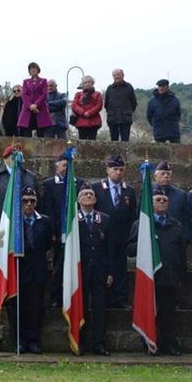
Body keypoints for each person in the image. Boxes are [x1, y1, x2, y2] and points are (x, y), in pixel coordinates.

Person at [127, 186, 185, 356]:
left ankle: (169, 344)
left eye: (164, 200)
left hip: (169, 276)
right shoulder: (141, 224)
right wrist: (146, 241)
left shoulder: (176, 224)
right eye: (158, 200)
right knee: (149, 311)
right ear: (150, 203)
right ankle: (149, 342)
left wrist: (180, 275)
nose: (161, 202)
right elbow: (130, 250)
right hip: (149, 276)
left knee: (168, 313)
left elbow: (181, 252)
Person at [7, 186, 52, 353]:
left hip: (38, 271)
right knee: (18, 308)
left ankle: (33, 340)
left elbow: (47, 243)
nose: (28, 204)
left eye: (32, 201)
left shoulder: (44, 221)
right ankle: (19, 340)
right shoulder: (13, 221)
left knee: (36, 308)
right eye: (25, 201)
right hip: (18, 271)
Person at [92, 155, 137, 308]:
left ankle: (120, 298)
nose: (118, 172)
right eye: (115, 169)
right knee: (102, 266)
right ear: (108, 170)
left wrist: (130, 236)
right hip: (102, 235)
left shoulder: (129, 190)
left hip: (121, 236)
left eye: (121, 169)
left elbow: (132, 216)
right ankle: (103, 298)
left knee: (121, 267)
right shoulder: (96, 188)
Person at [40, 152, 84, 308]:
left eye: (69, 165)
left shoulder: (80, 183)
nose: (66, 168)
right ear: (57, 166)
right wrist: (53, 232)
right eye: (64, 165)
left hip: (76, 232)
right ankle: (56, 296)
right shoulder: (49, 184)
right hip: (58, 233)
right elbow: (48, 210)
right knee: (58, 266)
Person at [77, 183, 114, 356]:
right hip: (81, 271)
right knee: (81, 307)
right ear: (78, 199)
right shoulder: (73, 219)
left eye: (91, 194)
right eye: (85, 194)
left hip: (100, 270)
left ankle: (99, 344)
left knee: (100, 309)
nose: (89, 196)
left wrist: (110, 272)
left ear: (96, 199)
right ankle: (81, 342)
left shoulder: (104, 219)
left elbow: (110, 248)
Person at [0, 143, 39, 236]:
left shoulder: (31, 177)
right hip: (2, 228)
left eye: (19, 157)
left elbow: (38, 203)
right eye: (13, 158)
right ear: (5, 159)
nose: (17, 160)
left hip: (26, 230)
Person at [153, 161, 192, 241]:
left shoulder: (181, 195)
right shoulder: (147, 193)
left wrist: (185, 240)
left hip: (175, 239)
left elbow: (186, 219)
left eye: (168, 174)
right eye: (163, 173)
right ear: (155, 176)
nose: (166, 176)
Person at [17, 62, 52, 138]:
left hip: (40, 109)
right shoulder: (25, 81)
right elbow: (24, 95)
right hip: (27, 110)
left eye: (34, 68)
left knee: (40, 133)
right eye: (30, 68)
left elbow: (44, 94)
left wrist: (36, 104)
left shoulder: (43, 81)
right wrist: (30, 105)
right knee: (27, 133)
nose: (32, 70)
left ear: (38, 69)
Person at [104, 69, 137, 142]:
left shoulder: (129, 87)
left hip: (125, 119)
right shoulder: (109, 88)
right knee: (113, 142)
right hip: (112, 119)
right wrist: (111, 112)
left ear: (123, 75)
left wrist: (128, 112)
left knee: (125, 142)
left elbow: (134, 102)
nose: (116, 76)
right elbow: (106, 104)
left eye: (118, 74)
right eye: (114, 75)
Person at [146, 79, 181, 143]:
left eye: (163, 86)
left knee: (177, 148)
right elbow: (149, 116)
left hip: (173, 132)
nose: (161, 88)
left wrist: (174, 123)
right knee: (158, 149)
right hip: (159, 132)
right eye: (159, 86)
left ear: (167, 87)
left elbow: (178, 114)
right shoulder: (152, 101)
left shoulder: (174, 100)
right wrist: (155, 125)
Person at [70, 76, 103, 141]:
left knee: (92, 142)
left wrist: (90, 112)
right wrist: (83, 112)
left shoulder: (97, 94)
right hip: (81, 122)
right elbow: (74, 105)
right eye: (85, 82)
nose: (87, 84)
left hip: (94, 122)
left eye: (89, 82)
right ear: (83, 84)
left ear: (92, 83)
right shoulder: (78, 94)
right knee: (82, 142)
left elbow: (99, 105)